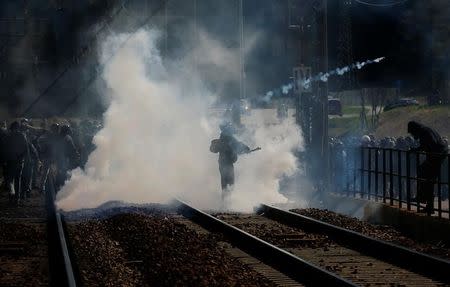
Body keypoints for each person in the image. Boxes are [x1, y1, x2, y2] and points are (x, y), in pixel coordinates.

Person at [408, 121, 448, 214]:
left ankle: (422, 197)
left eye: (411, 132)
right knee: (427, 178)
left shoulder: (424, 132)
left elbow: (429, 144)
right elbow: (426, 145)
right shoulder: (426, 130)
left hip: (437, 155)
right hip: (438, 154)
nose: (412, 135)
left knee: (425, 175)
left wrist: (416, 150)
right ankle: (426, 202)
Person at [210, 124, 253, 199]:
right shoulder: (229, 139)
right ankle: (227, 202)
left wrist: (245, 149)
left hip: (223, 164)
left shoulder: (224, 139)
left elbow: (237, 147)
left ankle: (225, 202)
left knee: (225, 184)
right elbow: (238, 145)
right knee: (230, 183)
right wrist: (246, 149)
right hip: (227, 164)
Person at [4, 122, 30, 206]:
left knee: (11, 180)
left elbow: (5, 149)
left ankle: (12, 197)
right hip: (19, 161)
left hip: (10, 161)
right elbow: (26, 149)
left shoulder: (8, 136)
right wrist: (22, 158)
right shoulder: (22, 136)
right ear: (18, 128)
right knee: (17, 179)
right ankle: (17, 199)